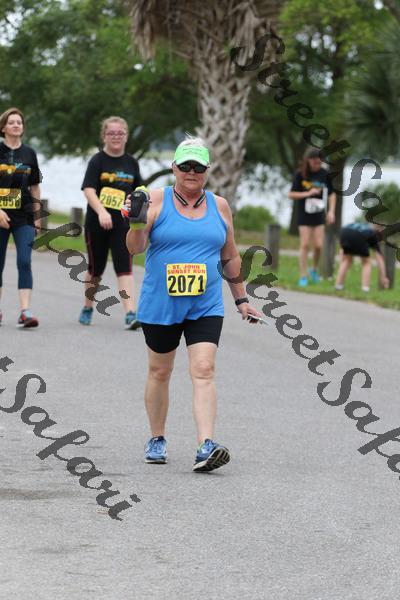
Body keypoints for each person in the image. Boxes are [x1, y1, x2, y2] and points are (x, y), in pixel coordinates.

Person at [125, 136, 262, 472]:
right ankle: (157, 438)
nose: (191, 172)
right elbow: (135, 248)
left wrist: (242, 299)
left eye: (198, 167)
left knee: (204, 369)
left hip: (205, 304)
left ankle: (206, 445)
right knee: (160, 371)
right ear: (173, 167)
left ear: (206, 170)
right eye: (185, 165)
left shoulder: (220, 206)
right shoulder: (155, 200)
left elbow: (229, 255)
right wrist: (136, 222)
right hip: (162, 303)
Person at [79, 116, 143, 329]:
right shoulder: (97, 161)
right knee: (95, 269)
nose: (116, 137)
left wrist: (138, 207)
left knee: (124, 267)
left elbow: (139, 191)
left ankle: (130, 313)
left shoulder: (131, 163)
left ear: (126, 136)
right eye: (111, 133)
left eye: (120, 133)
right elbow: (88, 189)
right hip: (97, 223)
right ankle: (88, 306)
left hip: (123, 225)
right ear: (104, 136)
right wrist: (102, 212)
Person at [0, 107, 42, 327]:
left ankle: (25, 312)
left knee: (24, 261)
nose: (16, 125)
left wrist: (37, 216)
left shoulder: (29, 154)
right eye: (11, 122)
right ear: (3, 127)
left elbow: (34, 186)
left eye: (19, 122)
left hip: (24, 217)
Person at [288, 148, 336, 286]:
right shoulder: (300, 174)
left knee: (319, 245)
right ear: (308, 160)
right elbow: (291, 194)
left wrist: (331, 211)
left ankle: (313, 269)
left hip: (319, 213)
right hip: (304, 214)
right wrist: (308, 193)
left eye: (320, 163)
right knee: (304, 244)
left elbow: (332, 194)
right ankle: (303, 276)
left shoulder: (324, 174)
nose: (317, 165)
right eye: (315, 162)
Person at [335, 222, 389, 292]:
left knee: (346, 261)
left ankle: (338, 286)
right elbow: (379, 259)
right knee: (366, 263)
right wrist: (383, 277)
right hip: (357, 235)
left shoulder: (365, 226)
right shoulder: (373, 234)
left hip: (345, 231)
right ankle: (365, 288)